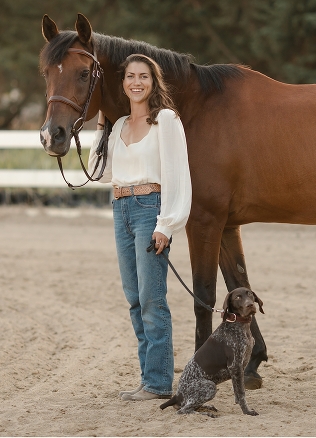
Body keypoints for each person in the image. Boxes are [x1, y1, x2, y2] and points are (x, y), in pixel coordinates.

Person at [90, 53, 192, 401]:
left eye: (143, 76)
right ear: (123, 83)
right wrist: (102, 125)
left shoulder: (165, 120)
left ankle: (160, 382)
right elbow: (99, 172)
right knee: (134, 299)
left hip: (151, 209)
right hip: (121, 208)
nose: (136, 82)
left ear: (153, 82)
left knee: (152, 300)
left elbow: (178, 175)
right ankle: (149, 379)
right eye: (130, 76)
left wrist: (168, 225)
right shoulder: (119, 126)